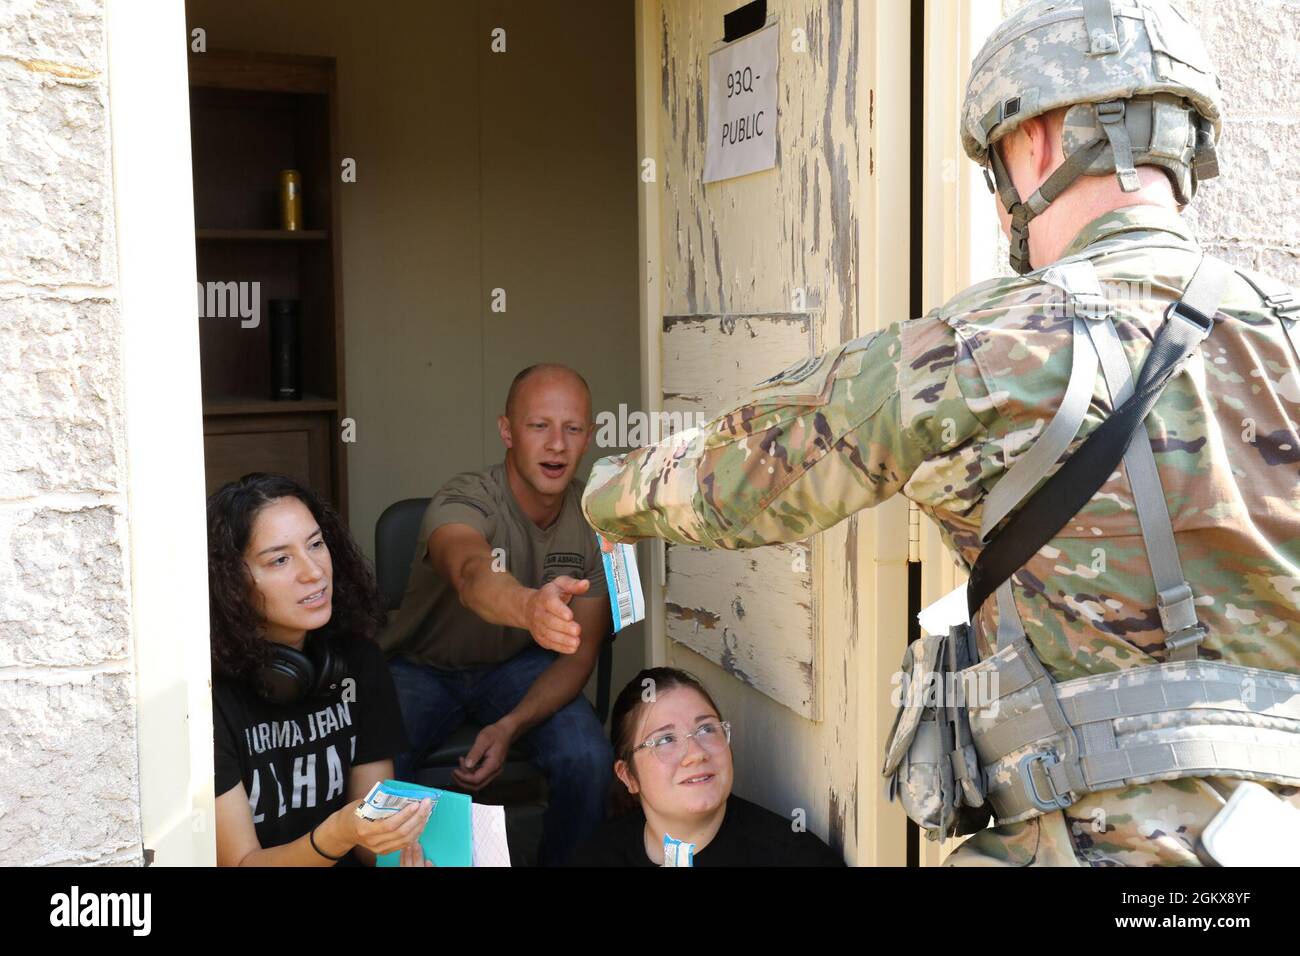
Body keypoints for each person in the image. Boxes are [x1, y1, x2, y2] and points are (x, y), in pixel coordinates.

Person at [582, 0, 1300, 866]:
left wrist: (608, 491)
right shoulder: (1286, 333)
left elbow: (740, 480)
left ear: (1035, 139)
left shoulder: (984, 345)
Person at [381, 363, 614, 865]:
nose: (557, 444)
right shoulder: (465, 497)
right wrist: (530, 606)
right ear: (506, 431)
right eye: (539, 426)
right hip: (421, 665)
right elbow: (471, 574)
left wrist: (509, 726)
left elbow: (581, 655)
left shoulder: (595, 518)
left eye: (572, 428)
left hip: (518, 667)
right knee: (375, 770)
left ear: (589, 437)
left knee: (589, 758)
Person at [208, 473, 431, 867]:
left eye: (315, 544)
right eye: (279, 559)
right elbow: (242, 863)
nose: (313, 572)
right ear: (231, 582)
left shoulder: (359, 661)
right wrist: (337, 834)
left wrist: (399, 854)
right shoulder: (209, 696)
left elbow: (368, 841)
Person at [569, 668, 843, 866]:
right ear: (628, 776)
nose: (696, 754)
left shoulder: (795, 857)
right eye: (665, 739)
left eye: (706, 729)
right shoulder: (598, 856)